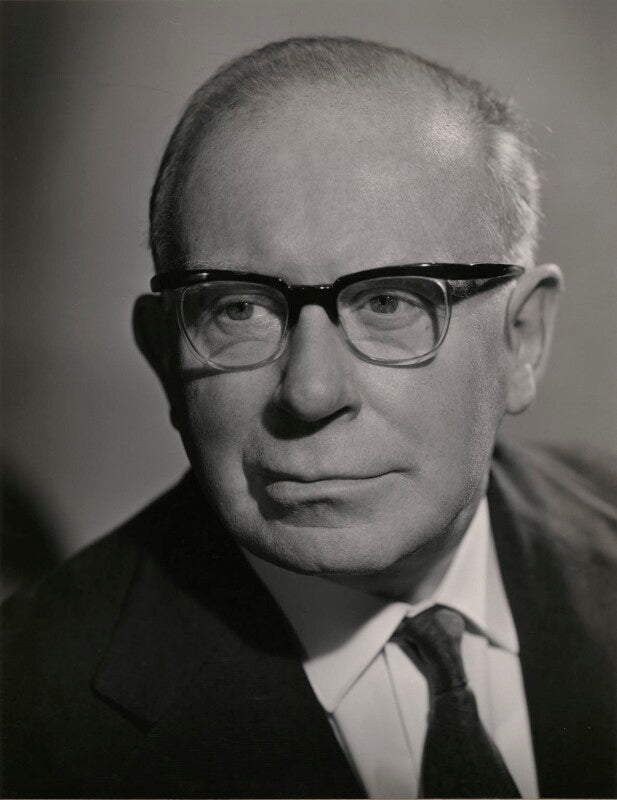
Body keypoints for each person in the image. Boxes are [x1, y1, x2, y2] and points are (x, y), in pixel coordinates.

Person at [1, 36, 615, 799]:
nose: (311, 391)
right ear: (163, 357)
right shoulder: (28, 719)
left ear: (521, 341)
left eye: (389, 301)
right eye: (239, 309)